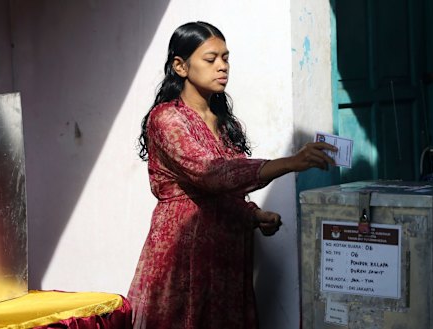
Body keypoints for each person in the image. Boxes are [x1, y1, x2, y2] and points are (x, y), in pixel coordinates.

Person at [127, 21, 336, 329]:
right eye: (210, 60)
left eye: (226, 58)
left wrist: (252, 214)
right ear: (180, 66)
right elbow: (210, 174)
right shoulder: (167, 118)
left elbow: (224, 189)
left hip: (227, 251)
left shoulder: (224, 122)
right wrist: (291, 162)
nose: (222, 67)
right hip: (184, 251)